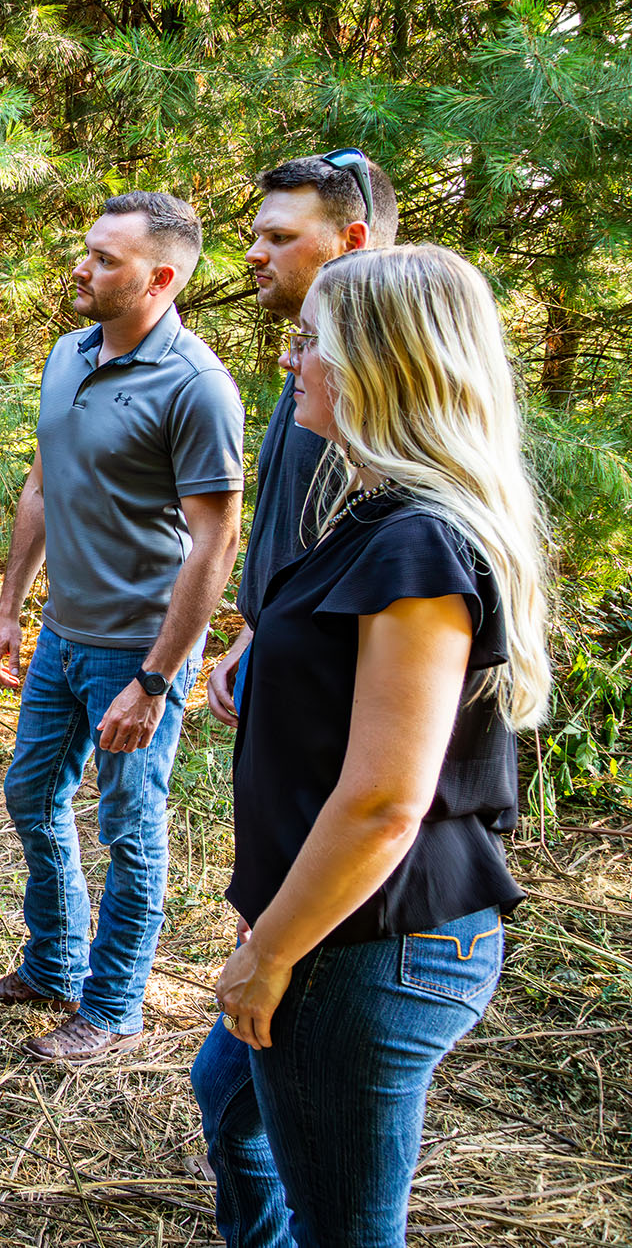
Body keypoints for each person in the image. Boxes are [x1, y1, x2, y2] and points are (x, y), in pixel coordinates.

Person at [191, 245, 548, 1247]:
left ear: (380, 364)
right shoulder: (373, 519)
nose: (288, 361)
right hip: (338, 928)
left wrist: (268, 952)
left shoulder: (417, 543)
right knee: (227, 1097)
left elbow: (386, 800)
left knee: (345, 1229)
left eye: (310, 342)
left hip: (372, 950)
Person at [0, 192, 244, 1061]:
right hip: (62, 633)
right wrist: (12, 607)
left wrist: (158, 678)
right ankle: (52, 962)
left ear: (161, 278)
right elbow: (42, 488)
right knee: (31, 792)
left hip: (142, 645)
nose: (82, 268)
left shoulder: (197, 386)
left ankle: (114, 1002)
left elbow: (214, 541)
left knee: (130, 823)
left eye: (107, 260)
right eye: (86, 250)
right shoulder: (66, 354)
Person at [208, 150, 398, 726]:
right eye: (257, 233)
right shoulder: (310, 369)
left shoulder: (379, 386)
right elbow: (299, 530)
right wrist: (252, 635)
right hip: (281, 654)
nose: (253, 253)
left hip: (332, 688)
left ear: (352, 240)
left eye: (281, 236)